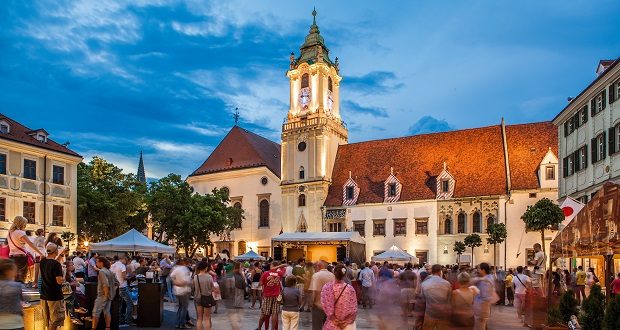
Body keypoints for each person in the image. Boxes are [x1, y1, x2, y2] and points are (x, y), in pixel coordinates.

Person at [6, 216, 44, 283]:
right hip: (21, 258)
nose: (25, 226)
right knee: (21, 278)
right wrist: (41, 254)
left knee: (14, 278)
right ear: (21, 223)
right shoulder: (20, 233)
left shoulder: (9, 233)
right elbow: (30, 244)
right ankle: (18, 292)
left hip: (12, 257)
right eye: (25, 224)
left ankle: (14, 292)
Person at [320, 264, 357, 330]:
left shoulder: (327, 287)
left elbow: (324, 304)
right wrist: (346, 321)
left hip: (332, 324)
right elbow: (353, 307)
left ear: (334, 272)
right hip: (346, 325)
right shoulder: (350, 289)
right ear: (345, 274)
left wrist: (333, 318)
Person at [40, 243, 66, 330]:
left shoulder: (43, 261)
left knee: (47, 320)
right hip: (54, 296)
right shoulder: (56, 264)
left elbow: (53, 263)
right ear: (56, 251)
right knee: (55, 321)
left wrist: (62, 254)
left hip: (44, 294)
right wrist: (64, 277)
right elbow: (59, 281)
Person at [420, 264, 451, 330]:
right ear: (440, 271)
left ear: (432, 271)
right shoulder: (447, 284)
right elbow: (449, 299)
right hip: (442, 313)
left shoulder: (424, 283)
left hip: (429, 312)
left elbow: (423, 299)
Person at [258, 261, 287, 330]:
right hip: (276, 295)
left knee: (264, 314)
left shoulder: (266, 273)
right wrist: (279, 267)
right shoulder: (279, 273)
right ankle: (272, 329)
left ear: (272, 265)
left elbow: (260, 284)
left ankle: (259, 328)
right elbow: (284, 273)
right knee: (275, 313)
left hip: (267, 295)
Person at [309, 260, 335, 330]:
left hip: (318, 306)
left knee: (317, 327)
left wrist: (311, 303)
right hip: (329, 306)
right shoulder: (332, 275)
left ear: (319, 266)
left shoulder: (316, 276)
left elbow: (314, 291)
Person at [92, 256, 115, 330]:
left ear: (101, 263)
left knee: (95, 313)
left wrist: (105, 294)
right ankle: (107, 328)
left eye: (97, 262)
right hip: (108, 295)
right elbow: (117, 283)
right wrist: (111, 292)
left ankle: (93, 328)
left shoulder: (102, 271)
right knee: (107, 312)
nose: (96, 263)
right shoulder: (110, 272)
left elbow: (106, 284)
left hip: (102, 295)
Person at [471, 263, 497, 330]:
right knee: (482, 325)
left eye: (479, 268)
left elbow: (485, 297)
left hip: (481, 307)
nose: (477, 270)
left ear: (483, 270)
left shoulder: (486, 281)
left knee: (479, 326)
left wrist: (482, 311)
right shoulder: (489, 277)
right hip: (483, 307)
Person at [0, 259, 24, 329]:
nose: (16, 273)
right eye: (14, 270)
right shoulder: (17, 286)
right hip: (15, 324)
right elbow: (20, 305)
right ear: (9, 271)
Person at [111, 255, 134, 326]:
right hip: (123, 286)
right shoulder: (122, 266)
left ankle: (119, 320)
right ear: (123, 259)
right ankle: (128, 320)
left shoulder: (112, 265)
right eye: (126, 260)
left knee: (119, 304)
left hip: (116, 287)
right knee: (130, 303)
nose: (126, 262)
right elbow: (124, 277)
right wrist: (130, 277)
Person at [170, 258, 192, 329]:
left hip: (177, 290)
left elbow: (171, 276)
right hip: (184, 290)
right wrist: (185, 283)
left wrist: (175, 283)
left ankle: (177, 323)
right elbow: (187, 280)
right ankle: (182, 324)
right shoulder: (185, 269)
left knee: (180, 307)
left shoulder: (175, 268)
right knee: (184, 308)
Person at [193, 261, 214, 330]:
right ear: (206, 268)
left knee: (199, 318)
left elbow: (194, 288)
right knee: (207, 318)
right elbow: (212, 288)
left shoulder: (195, 277)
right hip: (207, 298)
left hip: (198, 298)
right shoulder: (209, 277)